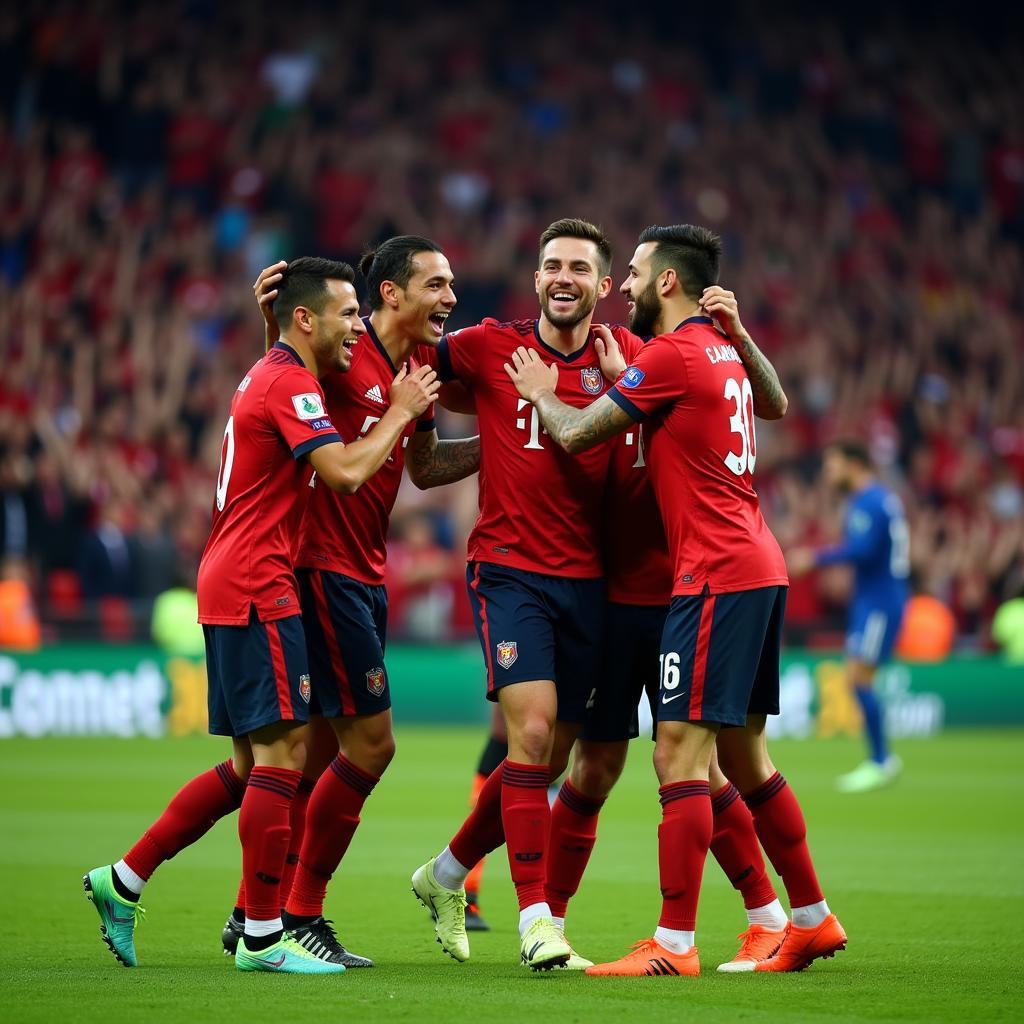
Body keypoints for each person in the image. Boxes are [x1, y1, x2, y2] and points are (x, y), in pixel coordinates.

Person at [504, 224, 845, 977]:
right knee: (745, 760)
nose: (622, 286)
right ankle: (811, 919)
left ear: (666, 282)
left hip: (715, 574)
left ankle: (674, 944)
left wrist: (538, 393)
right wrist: (741, 334)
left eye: (631, 273)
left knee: (676, 755)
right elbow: (778, 401)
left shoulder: (672, 353)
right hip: (760, 563)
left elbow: (578, 433)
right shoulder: (720, 349)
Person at [83, 257, 440, 974]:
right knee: (286, 759)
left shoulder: (273, 373)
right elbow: (341, 473)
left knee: (253, 763)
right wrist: (401, 410)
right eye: (345, 313)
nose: (355, 327)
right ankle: (262, 934)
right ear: (306, 319)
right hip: (261, 580)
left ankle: (122, 881)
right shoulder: (291, 384)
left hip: (235, 576)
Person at [219, 239, 480, 967]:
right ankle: (300, 913)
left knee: (316, 757)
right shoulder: (348, 346)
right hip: (319, 567)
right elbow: (284, 378)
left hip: (363, 574)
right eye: (436, 283)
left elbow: (424, 468)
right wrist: (270, 325)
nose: (451, 297)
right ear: (390, 295)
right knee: (373, 745)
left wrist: (511, 447)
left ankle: (252, 911)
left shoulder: (419, 367)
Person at [410, 219, 623, 971]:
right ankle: (538, 923)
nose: (562, 277)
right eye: (550, 265)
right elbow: (401, 351)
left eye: (578, 268)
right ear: (535, 279)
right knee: (529, 735)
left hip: (593, 581)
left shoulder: (619, 366)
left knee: (552, 757)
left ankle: (442, 874)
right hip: (509, 570)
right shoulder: (488, 346)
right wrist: (417, 442)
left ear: (603, 286)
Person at [789, 441, 910, 793]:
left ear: (854, 464)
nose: (828, 473)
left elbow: (864, 550)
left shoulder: (869, 501)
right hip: (876, 598)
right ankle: (881, 759)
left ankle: (881, 761)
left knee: (859, 677)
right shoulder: (880, 499)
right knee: (857, 676)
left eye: (833, 465)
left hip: (879, 601)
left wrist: (814, 558)